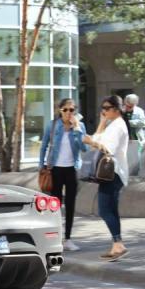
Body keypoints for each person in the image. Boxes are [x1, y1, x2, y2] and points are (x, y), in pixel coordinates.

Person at [83, 95, 129, 261]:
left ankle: (118, 244)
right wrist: (101, 123)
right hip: (112, 173)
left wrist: (90, 141)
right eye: (102, 108)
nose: (103, 111)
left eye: (106, 108)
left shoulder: (118, 126)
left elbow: (107, 148)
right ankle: (117, 245)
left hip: (113, 173)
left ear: (116, 110)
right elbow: (97, 138)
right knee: (111, 210)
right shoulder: (112, 124)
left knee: (104, 209)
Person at [39, 98, 87, 252]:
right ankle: (55, 238)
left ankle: (68, 239)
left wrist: (77, 130)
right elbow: (44, 146)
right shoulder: (52, 125)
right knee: (55, 205)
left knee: (71, 205)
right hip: (55, 170)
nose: (68, 113)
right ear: (60, 111)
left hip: (72, 169)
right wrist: (42, 165)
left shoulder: (80, 126)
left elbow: (84, 148)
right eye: (65, 110)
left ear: (75, 111)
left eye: (71, 110)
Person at [123, 94, 145, 176]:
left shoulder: (139, 111)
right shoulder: (120, 110)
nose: (129, 107)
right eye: (127, 105)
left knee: (136, 160)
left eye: (131, 106)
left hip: (136, 138)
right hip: (123, 139)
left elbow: (143, 123)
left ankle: (134, 175)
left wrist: (128, 123)